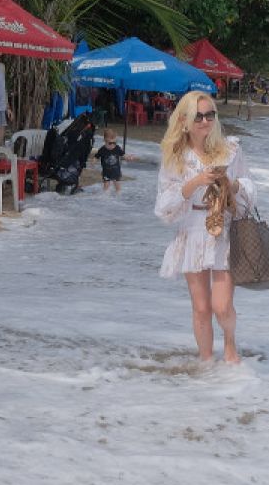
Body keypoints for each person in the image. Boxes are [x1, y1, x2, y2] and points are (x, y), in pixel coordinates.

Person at [155, 92, 256, 364]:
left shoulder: (231, 149)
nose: (205, 121)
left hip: (223, 229)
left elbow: (250, 187)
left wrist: (231, 185)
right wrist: (197, 181)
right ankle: (206, 364)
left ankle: (231, 345)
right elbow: (165, 206)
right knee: (201, 308)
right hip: (192, 230)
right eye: (198, 116)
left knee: (221, 306)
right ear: (185, 120)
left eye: (210, 114)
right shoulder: (176, 157)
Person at [93, 128, 136, 194]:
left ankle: (118, 195)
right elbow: (96, 156)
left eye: (114, 142)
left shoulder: (117, 148)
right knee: (106, 186)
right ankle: (105, 196)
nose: (113, 145)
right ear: (105, 141)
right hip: (106, 172)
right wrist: (94, 161)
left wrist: (128, 157)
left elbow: (123, 155)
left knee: (117, 186)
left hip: (116, 172)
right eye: (110, 143)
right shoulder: (102, 149)